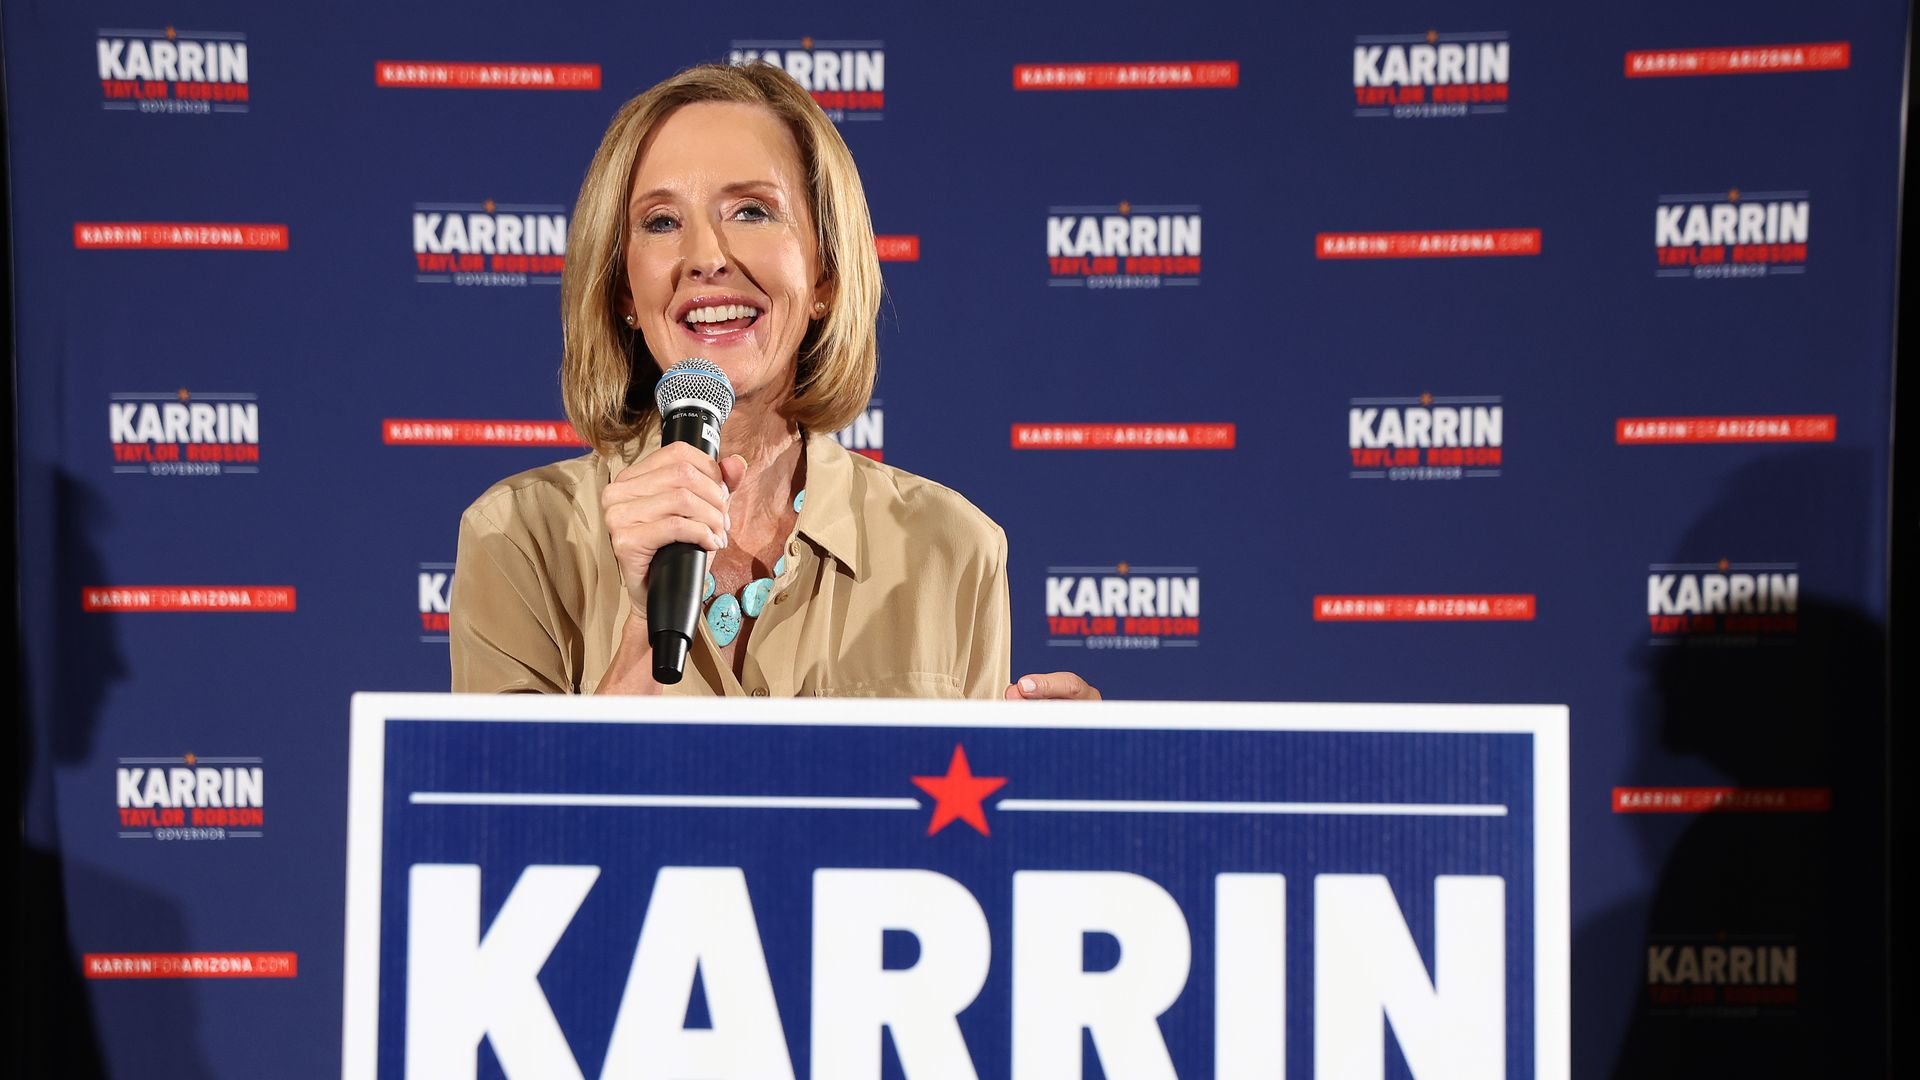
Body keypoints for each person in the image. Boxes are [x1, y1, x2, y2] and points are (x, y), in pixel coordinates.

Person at [451, 61, 1098, 702]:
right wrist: (642, 641)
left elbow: (961, 799)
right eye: (661, 222)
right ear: (624, 288)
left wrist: (1064, 792)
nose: (706, 257)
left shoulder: (952, 549)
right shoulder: (518, 540)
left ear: (824, 275)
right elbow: (507, 808)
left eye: (752, 211)